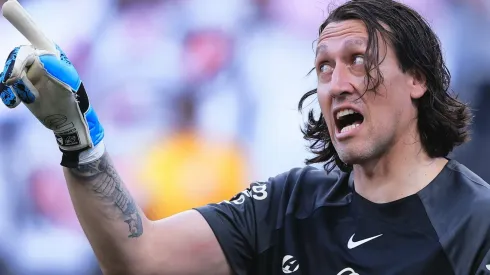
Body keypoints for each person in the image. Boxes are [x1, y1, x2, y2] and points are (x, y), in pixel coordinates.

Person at [1, 0, 489, 275]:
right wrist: (78, 135)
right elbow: (140, 260)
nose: (337, 83)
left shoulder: (477, 223)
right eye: (323, 67)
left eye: (358, 60)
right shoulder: (288, 202)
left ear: (417, 78)